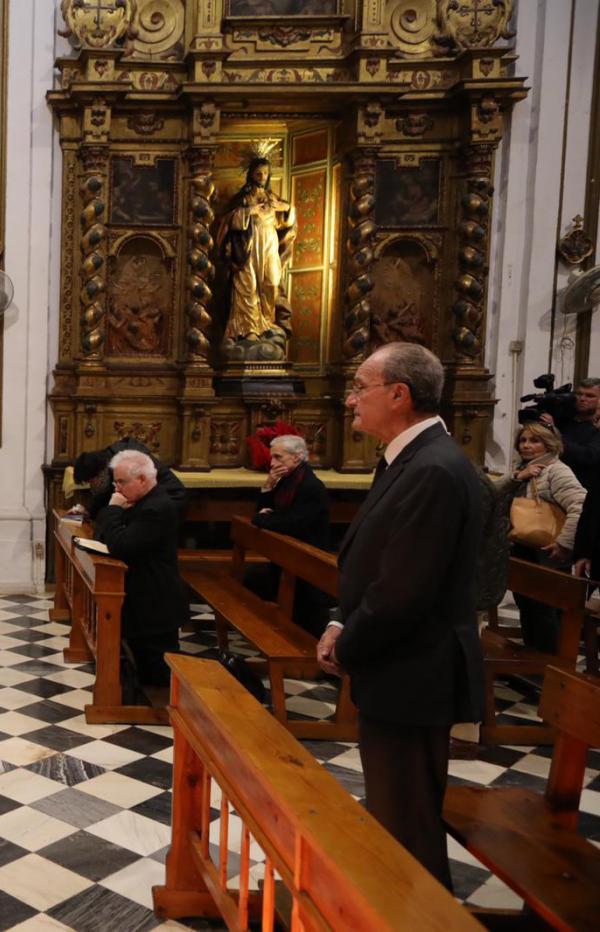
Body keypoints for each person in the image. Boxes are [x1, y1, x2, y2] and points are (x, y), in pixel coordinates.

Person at [315, 342, 483, 891]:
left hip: (416, 671)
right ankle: (393, 908)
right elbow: (378, 562)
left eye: (360, 387)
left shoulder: (434, 469)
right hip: (398, 668)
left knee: (408, 822)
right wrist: (341, 620)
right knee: (395, 814)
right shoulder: (409, 458)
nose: (349, 400)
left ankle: (421, 916)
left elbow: (403, 590)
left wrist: (347, 644)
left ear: (399, 394)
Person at [94, 449, 188, 692]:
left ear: (143, 480)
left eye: (122, 482)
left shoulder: (155, 508)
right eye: (115, 482)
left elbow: (121, 545)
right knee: (146, 669)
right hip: (143, 597)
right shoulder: (140, 502)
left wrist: (113, 510)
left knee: (160, 675)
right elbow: (105, 535)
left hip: (155, 602)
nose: (116, 489)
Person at [504, 421, 585, 652]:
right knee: (527, 606)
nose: (527, 446)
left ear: (549, 444)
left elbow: (579, 506)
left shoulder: (557, 470)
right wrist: (518, 477)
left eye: (535, 440)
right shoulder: (523, 469)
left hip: (548, 550)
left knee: (545, 611)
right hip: (524, 546)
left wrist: (564, 543)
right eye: (523, 440)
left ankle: (547, 668)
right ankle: (531, 661)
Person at [244, 434, 332, 636]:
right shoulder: (286, 480)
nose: (273, 463)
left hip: (308, 558)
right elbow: (264, 510)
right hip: (286, 556)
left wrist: (262, 519)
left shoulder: (310, 486)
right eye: (272, 457)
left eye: (278, 457)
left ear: (297, 457)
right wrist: (268, 485)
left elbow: (289, 523)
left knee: (308, 619)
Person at [217, 157, 296, 350]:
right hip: (247, 248)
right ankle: (248, 329)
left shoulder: (273, 198)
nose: (262, 177)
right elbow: (226, 222)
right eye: (258, 173)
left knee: (271, 284)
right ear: (251, 174)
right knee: (247, 285)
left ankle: (267, 324)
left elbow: (286, 223)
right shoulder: (243, 199)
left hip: (269, 245)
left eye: (266, 173)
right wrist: (248, 211)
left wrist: (288, 209)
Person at [73, 437, 187, 518]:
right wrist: (88, 511)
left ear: (98, 474)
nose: (91, 486)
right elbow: (103, 492)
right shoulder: (107, 461)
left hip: (171, 500)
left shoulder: (125, 461)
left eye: (90, 481)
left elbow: (111, 493)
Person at [540, 377, 600, 492]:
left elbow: (589, 456)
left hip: (582, 488)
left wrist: (554, 434)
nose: (582, 399)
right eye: (579, 394)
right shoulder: (564, 418)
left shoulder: (596, 428)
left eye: (590, 396)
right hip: (551, 483)